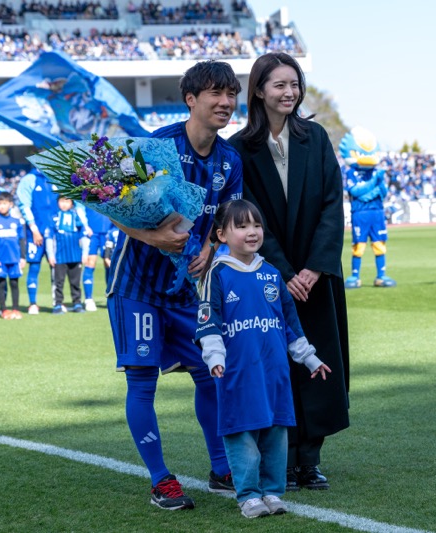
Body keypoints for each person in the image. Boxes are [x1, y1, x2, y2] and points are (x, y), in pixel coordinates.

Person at [107, 60, 243, 510]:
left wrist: (210, 248)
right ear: (191, 99)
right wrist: (151, 236)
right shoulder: (157, 145)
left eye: (231, 95)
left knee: (210, 373)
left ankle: (222, 468)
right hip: (137, 285)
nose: (226, 103)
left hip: (188, 288)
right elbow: (108, 203)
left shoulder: (230, 160)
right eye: (216, 95)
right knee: (143, 381)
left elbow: (222, 220)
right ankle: (161, 480)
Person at [228, 52, 349, 491]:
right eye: (279, 85)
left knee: (318, 363)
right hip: (267, 276)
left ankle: (309, 461)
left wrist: (314, 268)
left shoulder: (315, 137)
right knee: (278, 366)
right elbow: (249, 215)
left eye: (294, 84)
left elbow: (333, 205)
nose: (290, 92)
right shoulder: (241, 149)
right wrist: (283, 271)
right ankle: (284, 455)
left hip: (316, 277)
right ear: (259, 90)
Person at [195, 199, 330, 519]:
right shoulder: (218, 274)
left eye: (256, 225)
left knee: (275, 433)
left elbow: (290, 325)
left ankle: (272, 491)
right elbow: (207, 320)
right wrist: (214, 356)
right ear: (221, 235)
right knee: (242, 434)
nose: (251, 232)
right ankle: (249, 495)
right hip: (238, 372)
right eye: (241, 226)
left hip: (274, 373)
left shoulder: (271, 274)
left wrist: (309, 358)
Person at [16, 168, 90, 314]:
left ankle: (57, 302)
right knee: (34, 267)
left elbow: (77, 203)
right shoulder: (29, 179)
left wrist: (85, 224)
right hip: (36, 233)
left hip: (57, 236)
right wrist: (34, 229)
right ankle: (33, 303)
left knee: (56, 270)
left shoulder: (61, 177)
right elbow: (24, 205)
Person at [339, 129, 396, 288]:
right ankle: (355, 277)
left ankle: (381, 276)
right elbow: (356, 192)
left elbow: (382, 192)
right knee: (359, 245)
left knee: (379, 244)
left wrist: (373, 190)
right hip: (360, 213)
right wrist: (373, 186)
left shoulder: (376, 172)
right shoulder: (352, 172)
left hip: (377, 213)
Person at [0, 191, 26, 319]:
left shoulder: (17, 221)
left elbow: (21, 241)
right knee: (1, 283)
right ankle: (3, 309)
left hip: (14, 258)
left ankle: (15, 309)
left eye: (4, 203)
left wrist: (23, 257)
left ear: (10, 204)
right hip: (0, 259)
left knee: (14, 283)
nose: (1, 206)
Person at [46, 196, 86, 314]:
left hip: (75, 256)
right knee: (58, 282)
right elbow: (49, 237)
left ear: (72, 203)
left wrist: (84, 253)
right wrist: (50, 255)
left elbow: (83, 235)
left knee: (75, 282)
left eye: (67, 200)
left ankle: (77, 303)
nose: (64, 204)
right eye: (61, 201)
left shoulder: (76, 217)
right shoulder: (54, 218)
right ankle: (58, 304)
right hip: (59, 257)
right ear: (57, 202)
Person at [81, 209, 113, 311]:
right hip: (91, 232)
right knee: (90, 262)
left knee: (109, 264)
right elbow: (80, 208)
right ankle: (88, 299)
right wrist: (85, 226)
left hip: (109, 231)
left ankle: (110, 298)